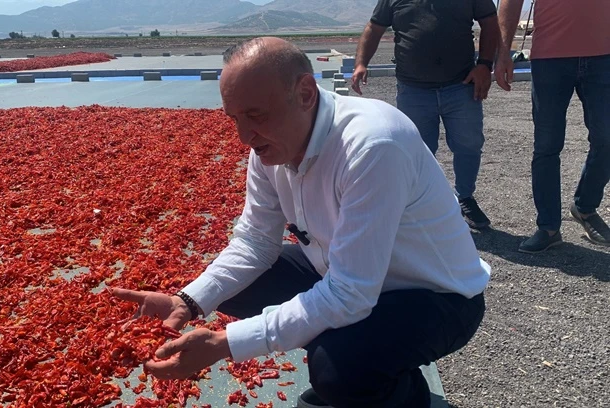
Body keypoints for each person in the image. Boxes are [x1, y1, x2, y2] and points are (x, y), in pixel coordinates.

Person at [110, 37, 490, 408]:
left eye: (256, 115)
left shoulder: (372, 146)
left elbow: (349, 294)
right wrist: (189, 301)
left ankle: (401, 393)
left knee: (336, 373)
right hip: (347, 276)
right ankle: (364, 361)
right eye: (235, 119)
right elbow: (255, 241)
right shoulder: (270, 147)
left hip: (436, 297)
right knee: (234, 286)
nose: (244, 137)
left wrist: (226, 343)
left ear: (306, 93)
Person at [350, 0, 501, 230]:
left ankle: (465, 198)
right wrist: (361, 63)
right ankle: (421, 204)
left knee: (468, 145)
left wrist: (484, 65)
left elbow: (490, 22)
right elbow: (374, 27)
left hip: (461, 85)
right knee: (416, 150)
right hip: (413, 89)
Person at [495, 0, 610, 253]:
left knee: (607, 138)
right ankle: (548, 227)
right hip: (550, 58)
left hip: (604, 57)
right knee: (547, 144)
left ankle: (585, 207)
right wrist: (503, 51)